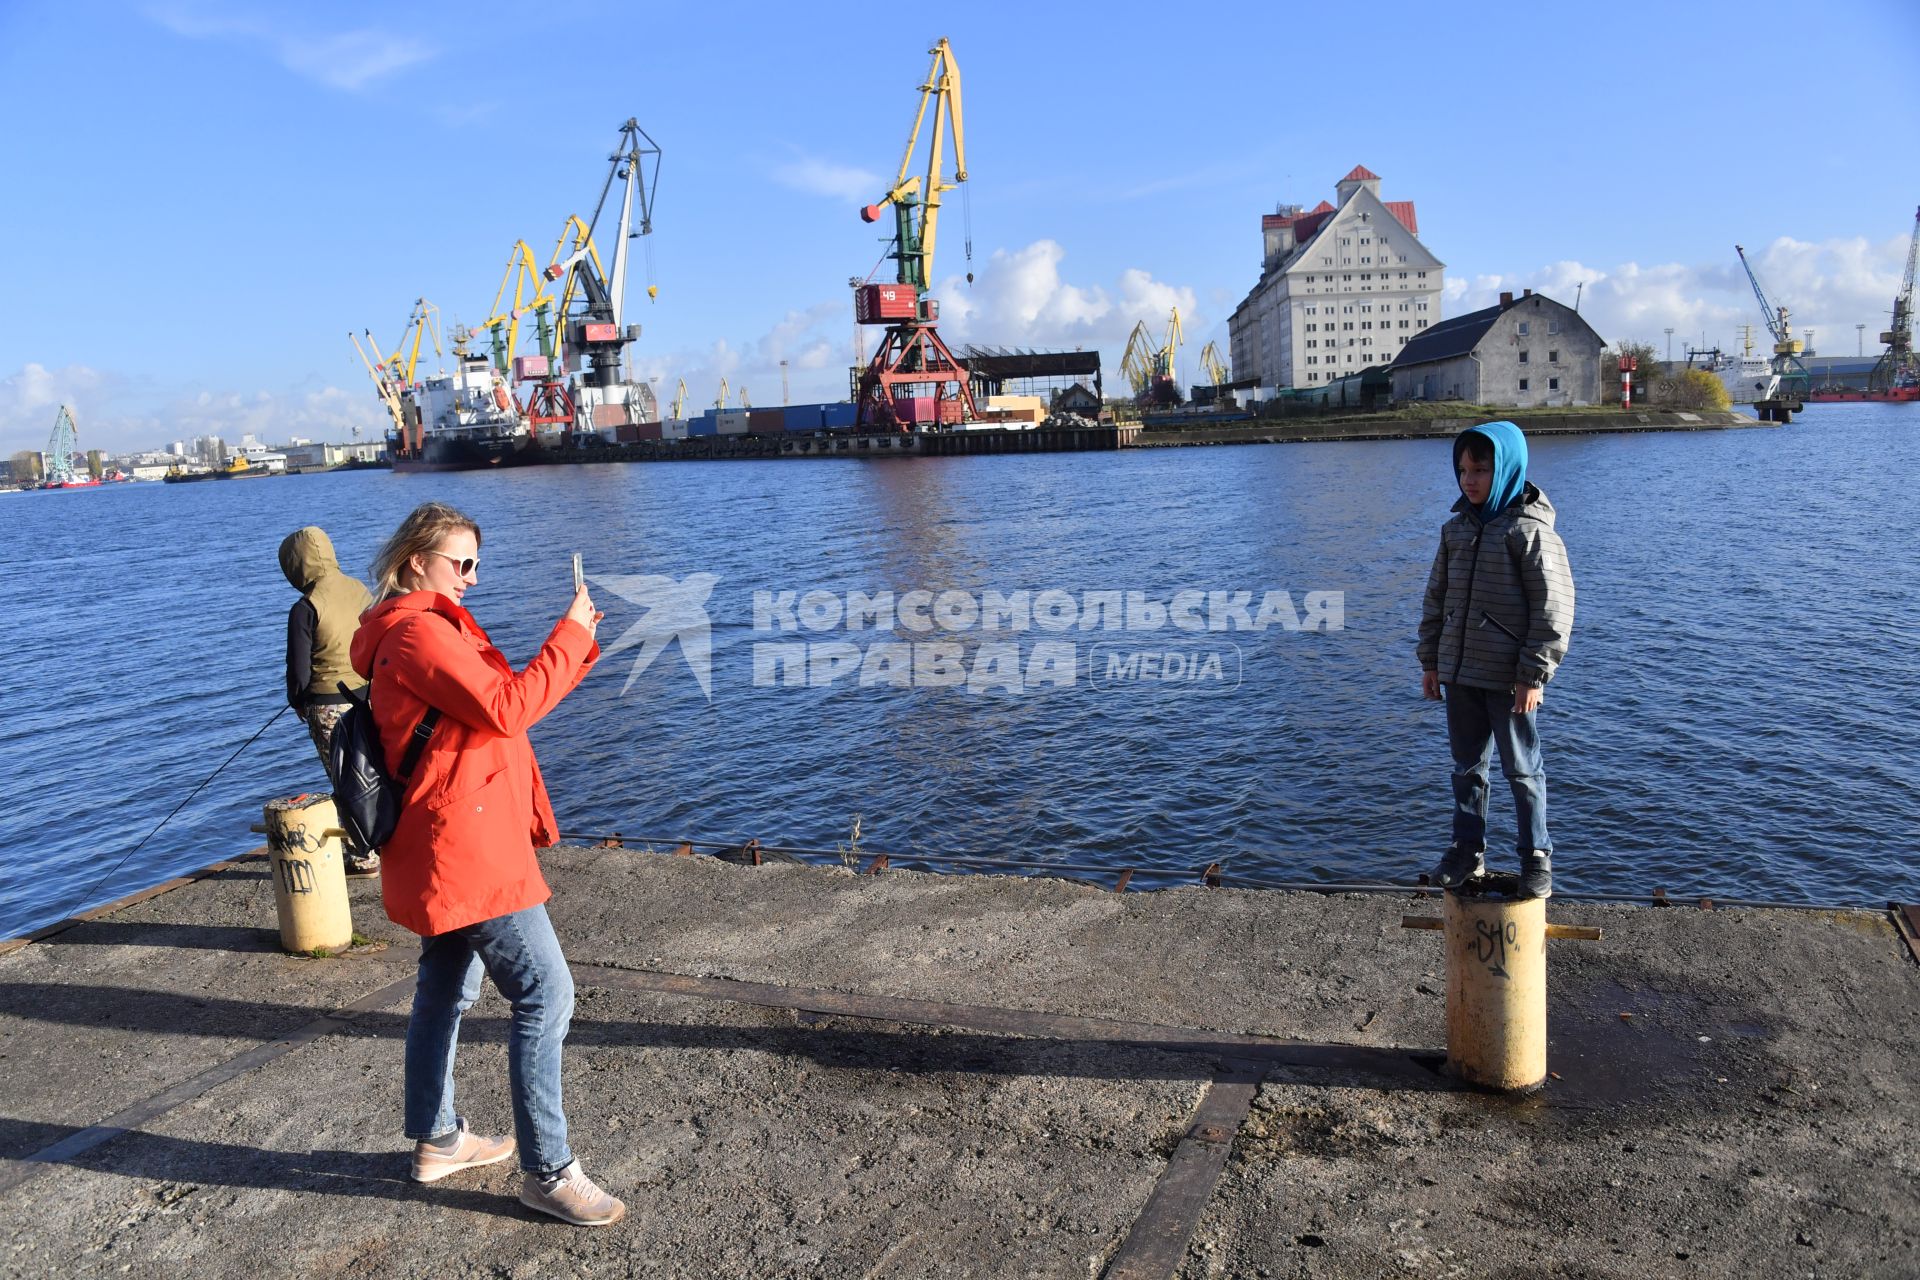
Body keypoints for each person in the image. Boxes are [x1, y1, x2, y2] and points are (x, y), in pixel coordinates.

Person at [350, 501, 622, 1226]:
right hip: (466, 847)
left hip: (448, 836)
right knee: (546, 994)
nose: (473, 576)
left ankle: (440, 1138)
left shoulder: (424, 630)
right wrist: (568, 635)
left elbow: (505, 706)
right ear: (418, 562)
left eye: (475, 562)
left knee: (445, 988)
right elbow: (508, 708)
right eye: (460, 562)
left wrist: (574, 643)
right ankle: (549, 1171)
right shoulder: (416, 634)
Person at [1418, 421, 1575, 898]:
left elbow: (1554, 608)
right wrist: (1431, 660)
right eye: (1463, 469)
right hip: (1461, 673)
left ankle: (1536, 856)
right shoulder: (1455, 530)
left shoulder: (1529, 532)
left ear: (1505, 468)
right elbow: (1436, 599)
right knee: (1467, 769)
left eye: (1481, 469)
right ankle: (1467, 849)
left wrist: (1534, 673)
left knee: (1523, 771)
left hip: (1509, 680)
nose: (1469, 479)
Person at [280, 526, 380, 876]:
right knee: (373, 772)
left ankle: (363, 857)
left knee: (344, 779)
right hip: (370, 696)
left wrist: (297, 700)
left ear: (295, 566)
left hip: (327, 705)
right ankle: (384, 841)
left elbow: (299, 668)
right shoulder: (360, 589)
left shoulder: (306, 607)